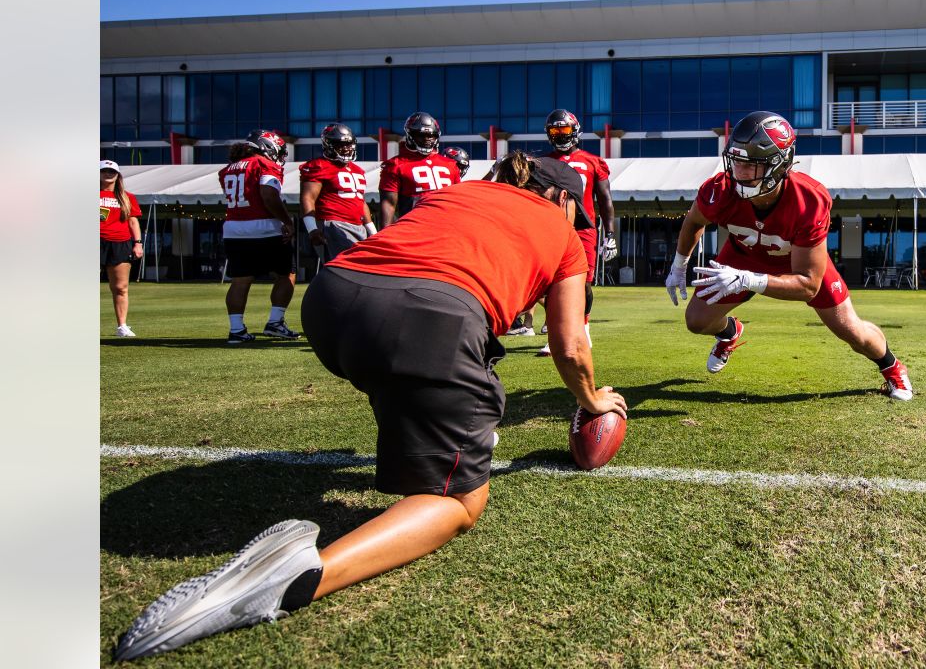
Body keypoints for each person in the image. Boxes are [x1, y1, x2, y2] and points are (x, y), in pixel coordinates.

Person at [112, 151, 627, 661]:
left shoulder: (453, 192)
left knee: (434, 363)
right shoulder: (560, 231)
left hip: (332, 304)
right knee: (457, 502)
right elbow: (569, 344)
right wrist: (592, 398)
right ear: (561, 198)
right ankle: (302, 576)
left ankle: (442, 424)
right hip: (427, 321)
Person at [665, 111, 913, 401]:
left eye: (750, 165)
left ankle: (892, 367)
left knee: (853, 333)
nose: (739, 172)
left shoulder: (808, 199)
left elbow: (808, 284)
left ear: (779, 165)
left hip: (797, 264)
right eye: (736, 162)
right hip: (742, 255)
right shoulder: (719, 190)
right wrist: (678, 265)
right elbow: (694, 222)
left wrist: (748, 280)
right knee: (696, 321)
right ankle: (729, 331)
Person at [536, 109, 618, 356]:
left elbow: (605, 200)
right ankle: (556, 334)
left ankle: (584, 328)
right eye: (555, 131)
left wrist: (610, 234)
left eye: (564, 130)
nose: (560, 135)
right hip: (552, 228)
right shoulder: (543, 163)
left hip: (583, 229)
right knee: (550, 284)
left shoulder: (593, 161)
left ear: (575, 131)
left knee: (583, 283)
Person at [217, 130, 300, 344]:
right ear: (267, 146)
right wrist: (287, 221)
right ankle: (275, 323)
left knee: (240, 281)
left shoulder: (227, 170)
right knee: (286, 274)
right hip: (264, 227)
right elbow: (268, 195)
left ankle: (236, 330)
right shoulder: (265, 165)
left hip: (234, 229)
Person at [300, 123, 378, 266]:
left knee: (357, 269)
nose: (346, 148)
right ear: (328, 145)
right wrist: (312, 229)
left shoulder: (357, 170)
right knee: (345, 269)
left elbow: (360, 201)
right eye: (340, 144)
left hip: (358, 225)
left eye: (348, 144)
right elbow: (307, 197)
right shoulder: (319, 165)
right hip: (334, 224)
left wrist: (372, 230)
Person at [377, 113, 461, 226]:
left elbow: (458, 200)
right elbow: (388, 205)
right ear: (410, 134)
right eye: (422, 135)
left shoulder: (450, 164)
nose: (427, 139)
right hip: (414, 228)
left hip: (447, 226)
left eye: (431, 135)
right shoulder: (395, 165)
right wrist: (384, 236)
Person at [99, 160, 143, 337]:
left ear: (118, 175)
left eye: (112, 172)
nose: (108, 174)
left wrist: (138, 243)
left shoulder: (127, 196)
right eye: (104, 171)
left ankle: (122, 326)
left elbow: (133, 221)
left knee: (120, 287)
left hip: (120, 242)